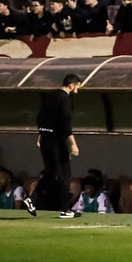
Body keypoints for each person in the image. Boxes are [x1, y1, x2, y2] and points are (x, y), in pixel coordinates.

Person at [36, 74, 82, 213]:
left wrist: (41, 135)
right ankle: (65, 209)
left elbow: (40, 117)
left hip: (45, 139)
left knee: (49, 172)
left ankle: (31, 199)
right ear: (72, 85)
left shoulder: (50, 97)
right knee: (64, 174)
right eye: (77, 87)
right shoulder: (64, 98)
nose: (77, 91)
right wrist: (73, 143)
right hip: (57, 140)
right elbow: (65, 122)